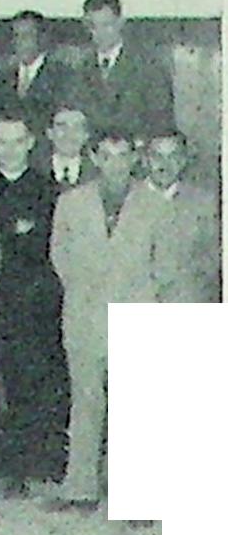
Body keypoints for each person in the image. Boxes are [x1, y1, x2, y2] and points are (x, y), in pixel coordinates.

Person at [48, 132, 163, 511]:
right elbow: (59, 255)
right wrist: (86, 289)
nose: (116, 164)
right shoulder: (71, 203)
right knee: (85, 403)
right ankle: (80, 488)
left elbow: (163, 262)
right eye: (107, 156)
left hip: (137, 312)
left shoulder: (155, 204)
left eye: (123, 155)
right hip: (85, 315)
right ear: (94, 158)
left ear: (135, 159)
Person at [0, 117, 68, 495]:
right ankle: (6, 465)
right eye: (2, 141)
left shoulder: (48, 189)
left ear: (31, 143)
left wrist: (16, 235)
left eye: (17, 141)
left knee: (38, 381)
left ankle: (41, 461)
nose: (10, 149)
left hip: (37, 301)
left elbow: (48, 245)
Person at [68, 0, 175, 141]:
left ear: (120, 23)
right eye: (92, 26)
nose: (99, 33)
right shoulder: (79, 68)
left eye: (107, 25)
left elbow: (161, 121)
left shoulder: (148, 66)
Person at [143, 131, 221, 302]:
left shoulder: (204, 203)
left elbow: (213, 258)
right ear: (145, 159)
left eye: (173, 156)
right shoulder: (128, 199)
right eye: (157, 157)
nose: (165, 164)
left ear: (184, 160)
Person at [0, 10, 73, 140]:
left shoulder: (61, 75)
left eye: (27, 35)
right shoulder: (5, 77)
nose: (20, 42)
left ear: (41, 38)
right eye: (16, 36)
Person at [43, 107, 95, 188]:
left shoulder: (96, 173)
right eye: (62, 126)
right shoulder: (36, 171)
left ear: (86, 135)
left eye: (77, 127)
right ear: (50, 133)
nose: (69, 134)